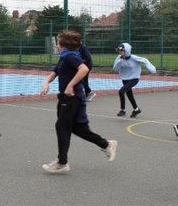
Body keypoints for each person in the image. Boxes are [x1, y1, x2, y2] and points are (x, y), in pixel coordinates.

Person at [40, 30, 117, 174]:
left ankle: (62, 163)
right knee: (77, 128)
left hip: (73, 97)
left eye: (57, 42)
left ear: (63, 44)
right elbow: (55, 72)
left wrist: (70, 85)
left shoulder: (71, 57)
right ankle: (106, 144)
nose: (56, 45)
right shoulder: (64, 57)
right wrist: (46, 82)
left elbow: (84, 69)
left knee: (61, 125)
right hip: (66, 97)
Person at [113, 42, 156, 118]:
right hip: (124, 78)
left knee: (121, 91)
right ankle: (136, 109)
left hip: (134, 78)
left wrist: (152, 69)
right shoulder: (119, 58)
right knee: (129, 95)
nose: (120, 52)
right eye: (119, 51)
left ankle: (123, 110)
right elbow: (115, 69)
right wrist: (119, 63)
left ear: (126, 51)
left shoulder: (134, 58)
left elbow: (145, 60)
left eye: (121, 51)